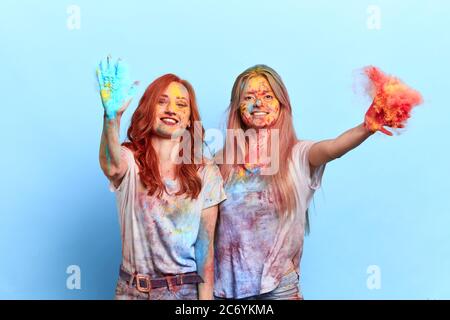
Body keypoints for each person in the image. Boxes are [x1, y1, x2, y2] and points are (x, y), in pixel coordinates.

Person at [214, 64, 381, 300]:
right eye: (249, 97)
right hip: (225, 291)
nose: (259, 103)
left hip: (279, 288)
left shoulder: (299, 155)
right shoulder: (220, 162)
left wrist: (367, 127)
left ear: (282, 105)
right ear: (237, 108)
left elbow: (334, 148)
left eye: (268, 96)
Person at [97, 56, 226, 300]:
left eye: (181, 105)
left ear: (189, 119)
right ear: (148, 109)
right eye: (162, 101)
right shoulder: (130, 159)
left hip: (182, 294)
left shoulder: (205, 171)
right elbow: (112, 166)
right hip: (130, 292)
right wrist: (111, 117)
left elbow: (204, 250)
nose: (171, 110)